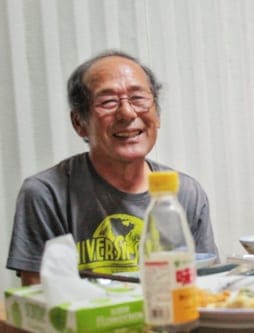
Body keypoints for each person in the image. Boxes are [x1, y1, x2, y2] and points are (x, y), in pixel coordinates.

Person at [7, 50, 219, 286]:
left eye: (138, 98)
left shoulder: (184, 192)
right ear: (79, 123)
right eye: (107, 101)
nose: (127, 113)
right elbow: (38, 301)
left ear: (157, 115)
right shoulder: (46, 193)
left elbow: (205, 286)